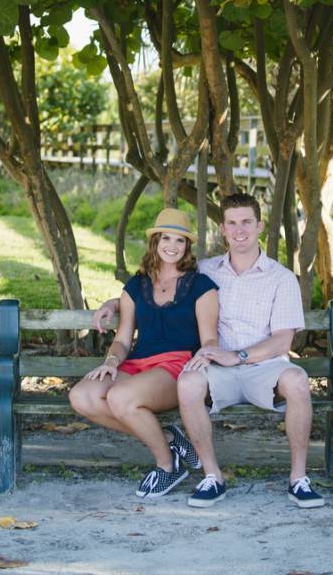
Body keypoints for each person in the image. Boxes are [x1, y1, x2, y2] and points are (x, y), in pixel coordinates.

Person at [95, 193, 325, 510]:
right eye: (232, 223)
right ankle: (212, 476)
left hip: (264, 366)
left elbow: (283, 341)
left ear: (260, 226)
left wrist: (240, 356)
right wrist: (114, 303)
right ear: (223, 229)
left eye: (246, 222)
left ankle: (299, 479)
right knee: (188, 382)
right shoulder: (204, 271)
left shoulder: (281, 278)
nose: (239, 230)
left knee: (298, 382)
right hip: (214, 367)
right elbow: (158, 282)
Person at [69, 208, 218, 499]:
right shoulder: (137, 285)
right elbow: (124, 338)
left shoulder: (201, 286)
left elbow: (209, 336)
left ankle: (167, 465)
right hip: (138, 363)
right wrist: (111, 362)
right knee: (82, 396)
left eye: (180, 240)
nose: (172, 246)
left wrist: (209, 353)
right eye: (166, 238)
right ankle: (168, 439)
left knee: (120, 397)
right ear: (155, 242)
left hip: (178, 366)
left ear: (187, 246)